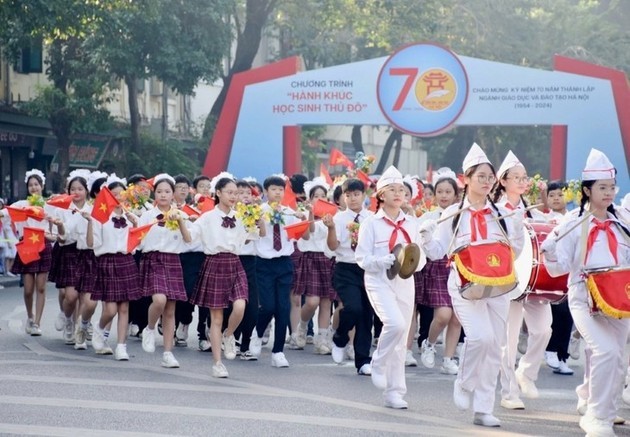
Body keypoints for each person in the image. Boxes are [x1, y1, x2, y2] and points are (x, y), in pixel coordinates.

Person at [420, 143, 524, 427]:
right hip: (465, 284)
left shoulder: (500, 212)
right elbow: (437, 251)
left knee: (495, 345)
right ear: (465, 179)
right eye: (480, 176)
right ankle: (464, 383)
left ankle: (484, 407)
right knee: (479, 338)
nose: (486, 181)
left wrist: (515, 227)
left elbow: (515, 251)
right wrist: (427, 236)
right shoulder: (453, 213)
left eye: (490, 177)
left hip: (499, 284)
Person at [542, 148, 630, 436]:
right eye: (602, 188)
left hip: (618, 298)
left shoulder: (622, 224)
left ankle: (600, 404)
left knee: (617, 356)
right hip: (584, 297)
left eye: (611, 187)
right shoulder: (572, 224)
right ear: (587, 191)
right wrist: (550, 251)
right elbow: (558, 269)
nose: (608, 193)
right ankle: (596, 417)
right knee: (605, 351)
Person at [355, 165, 426, 409]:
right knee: (394, 324)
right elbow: (362, 258)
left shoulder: (412, 223)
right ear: (381, 195)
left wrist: (411, 264)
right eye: (392, 190)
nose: (398, 194)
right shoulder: (371, 223)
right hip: (378, 280)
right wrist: (381, 261)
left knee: (402, 334)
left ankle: (395, 393)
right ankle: (377, 361)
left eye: (402, 190)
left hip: (405, 282)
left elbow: (421, 256)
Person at [493, 151, 552, 410]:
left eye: (523, 177)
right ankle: (509, 392)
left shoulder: (530, 211)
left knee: (543, 330)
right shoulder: (494, 210)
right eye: (515, 177)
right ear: (503, 181)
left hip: (531, 280)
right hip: (507, 281)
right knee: (509, 338)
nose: (521, 180)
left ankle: (526, 373)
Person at [189, 173, 260, 378]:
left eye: (236, 193)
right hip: (214, 263)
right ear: (217, 193)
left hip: (235, 263)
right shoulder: (207, 217)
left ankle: (229, 335)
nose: (233, 196)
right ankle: (217, 363)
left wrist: (256, 220)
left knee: (240, 306)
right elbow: (189, 237)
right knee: (216, 316)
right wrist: (182, 222)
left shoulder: (240, 215)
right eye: (229, 192)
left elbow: (253, 236)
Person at [250, 174, 309, 368]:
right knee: (268, 306)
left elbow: (305, 237)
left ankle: (278, 352)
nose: (277, 193)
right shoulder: (257, 211)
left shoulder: (290, 212)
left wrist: (304, 219)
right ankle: (257, 334)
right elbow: (254, 235)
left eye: (281, 189)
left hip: (284, 263)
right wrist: (258, 221)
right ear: (266, 192)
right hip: (264, 264)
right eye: (273, 189)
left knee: (283, 307)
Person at [138, 174, 192, 368]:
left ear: (173, 194)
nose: (163, 195)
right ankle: (150, 328)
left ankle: (168, 353)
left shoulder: (180, 214)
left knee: (170, 310)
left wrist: (180, 221)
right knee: (159, 300)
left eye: (167, 192)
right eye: (159, 191)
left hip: (173, 259)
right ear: (155, 194)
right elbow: (138, 239)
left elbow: (188, 239)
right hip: (153, 258)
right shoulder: (147, 214)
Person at [88, 177, 142, 360]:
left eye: (123, 195)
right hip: (107, 262)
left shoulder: (130, 216)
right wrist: (91, 221)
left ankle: (121, 346)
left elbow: (135, 247)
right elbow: (94, 244)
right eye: (115, 195)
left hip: (126, 261)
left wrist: (135, 225)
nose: (119, 198)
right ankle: (99, 328)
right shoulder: (101, 217)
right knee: (110, 310)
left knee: (124, 308)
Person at [323, 178, 373, 375]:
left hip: (367, 269)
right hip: (345, 268)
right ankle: (340, 337)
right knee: (353, 307)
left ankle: (363, 361)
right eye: (348, 195)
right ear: (343, 197)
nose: (352, 199)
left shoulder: (372, 218)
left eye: (356, 194)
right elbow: (333, 247)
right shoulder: (338, 219)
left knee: (366, 316)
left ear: (364, 196)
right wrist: (331, 229)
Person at [6, 169, 65, 336]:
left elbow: (54, 233)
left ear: (42, 186)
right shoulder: (21, 205)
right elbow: (6, 213)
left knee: (41, 287)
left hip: (44, 246)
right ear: (27, 187)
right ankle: (30, 317)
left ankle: (37, 323)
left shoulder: (49, 206)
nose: (34, 188)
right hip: (27, 246)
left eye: (36, 184)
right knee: (28, 289)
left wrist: (50, 232)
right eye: (31, 185)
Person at [417, 173, 462, 376]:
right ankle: (429, 342)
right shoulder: (428, 217)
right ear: (434, 195)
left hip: (462, 267)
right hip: (438, 267)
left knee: (457, 317)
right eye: (440, 192)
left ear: (456, 194)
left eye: (448, 192)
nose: (444, 195)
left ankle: (448, 358)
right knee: (443, 315)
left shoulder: (463, 214)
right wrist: (425, 235)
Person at [295, 177, 336, 354]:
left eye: (323, 195)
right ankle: (302, 326)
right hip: (311, 259)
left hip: (328, 260)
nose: (319, 198)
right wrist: (311, 213)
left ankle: (322, 340)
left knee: (326, 303)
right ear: (309, 198)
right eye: (315, 195)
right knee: (312, 301)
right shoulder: (304, 213)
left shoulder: (333, 216)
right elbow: (309, 232)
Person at [52, 169, 92, 345]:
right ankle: (68, 319)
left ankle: (80, 332)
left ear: (86, 191)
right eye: (72, 189)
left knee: (85, 297)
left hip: (87, 253)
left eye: (80, 189)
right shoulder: (63, 210)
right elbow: (61, 237)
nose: (76, 192)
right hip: (68, 251)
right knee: (71, 296)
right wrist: (60, 227)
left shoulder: (93, 210)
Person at [543, 180, 575, 375]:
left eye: (560, 195)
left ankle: (562, 357)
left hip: (568, 272)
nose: (556, 198)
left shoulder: (573, 218)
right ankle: (550, 349)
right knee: (556, 314)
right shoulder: (541, 217)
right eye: (552, 195)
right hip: (548, 272)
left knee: (568, 316)